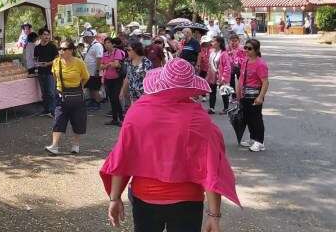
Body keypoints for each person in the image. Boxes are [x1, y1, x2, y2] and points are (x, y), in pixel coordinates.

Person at [101, 58, 240, 232]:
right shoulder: (199, 119)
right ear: (190, 87)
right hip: (187, 201)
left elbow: (122, 157)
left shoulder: (137, 111)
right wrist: (214, 215)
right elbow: (211, 167)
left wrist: (114, 198)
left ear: (160, 82)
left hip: (145, 197)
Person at [45, 40, 90, 155]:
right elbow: (55, 77)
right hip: (61, 96)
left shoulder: (79, 62)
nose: (60, 51)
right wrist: (60, 88)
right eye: (59, 48)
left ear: (71, 50)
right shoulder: (56, 62)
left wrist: (79, 88)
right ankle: (54, 146)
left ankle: (76, 145)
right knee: (58, 119)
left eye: (63, 49)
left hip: (76, 96)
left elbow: (85, 77)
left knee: (77, 120)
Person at [237, 39, 270, 152]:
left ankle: (259, 142)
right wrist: (238, 93)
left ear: (256, 50)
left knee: (256, 119)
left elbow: (265, 82)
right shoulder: (245, 61)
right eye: (245, 47)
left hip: (254, 95)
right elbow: (241, 78)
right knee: (248, 118)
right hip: (244, 95)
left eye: (249, 48)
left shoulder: (260, 64)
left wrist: (260, 97)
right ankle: (253, 139)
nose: (246, 50)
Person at [34, 27, 59, 117]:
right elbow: (35, 59)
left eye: (48, 35)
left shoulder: (52, 46)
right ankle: (46, 110)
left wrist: (48, 63)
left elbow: (57, 58)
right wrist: (37, 64)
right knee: (44, 93)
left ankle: (53, 111)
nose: (47, 36)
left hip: (50, 72)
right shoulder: (37, 47)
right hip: (41, 72)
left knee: (51, 92)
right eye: (44, 34)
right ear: (40, 36)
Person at [100, 37, 126, 126]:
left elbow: (116, 64)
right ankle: (115, 119)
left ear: (112, 44)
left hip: (117, 78)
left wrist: (108, 64)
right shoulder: (105, 54)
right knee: (111, 99)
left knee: (116, 98)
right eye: (105, 43)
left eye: (108, 43)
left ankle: (122, 119)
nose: (106, 45)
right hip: (108, 79)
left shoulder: (117, 52)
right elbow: (101, 66)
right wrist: (110, 64)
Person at [120, 41, 152, 106]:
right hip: (132, 97)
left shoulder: (146, 63)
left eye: (129, 50)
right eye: (126, 50)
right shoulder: (128, 61)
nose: (127, 52)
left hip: (144, 97)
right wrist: (122, 91)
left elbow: (150, 81)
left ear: (136, 50)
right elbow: (128, 77)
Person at [207, 37, 232, 114]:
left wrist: (224, 77)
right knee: (212, 91)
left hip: (221, 76)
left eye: (214, 41)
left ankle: (226, 108)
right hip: (213, 75)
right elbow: (210, 64)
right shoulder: (212, 52)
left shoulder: (224, 53)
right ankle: (212, 108)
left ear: (219, 43)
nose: (212, 42)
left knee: (224, 92)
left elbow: (227, 67)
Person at [82, 29, 104, 111]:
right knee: (91, 88)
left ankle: (97, 104)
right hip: (89, 72)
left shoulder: (97, 45)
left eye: (85, 38)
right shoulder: (90, 45)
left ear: (90, 37)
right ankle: (93, 102)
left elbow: (99, 58)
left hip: (95, 72)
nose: (84, 39)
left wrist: (97, 71)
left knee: (95, 89)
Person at [226, 34, 246, 107]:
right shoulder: (227, 48)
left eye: (235, 41)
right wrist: (229, 54)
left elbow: (244, 58)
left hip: (239, 67)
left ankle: (241, 95)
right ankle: (233, 96)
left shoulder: (242, 48)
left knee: (241, 81)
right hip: (230, 68)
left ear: (239, 41)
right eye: (232, 41)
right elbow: (225, 57)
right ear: (229, 41)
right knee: (231, 82)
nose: (234, 43)